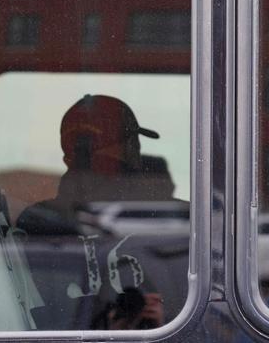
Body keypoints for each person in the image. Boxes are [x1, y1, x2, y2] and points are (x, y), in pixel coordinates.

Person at [16, 94, 170, 329]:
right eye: (132, 143)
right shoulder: (177, 220)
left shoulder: (35, 221)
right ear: (125, 151)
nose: (137, 152)